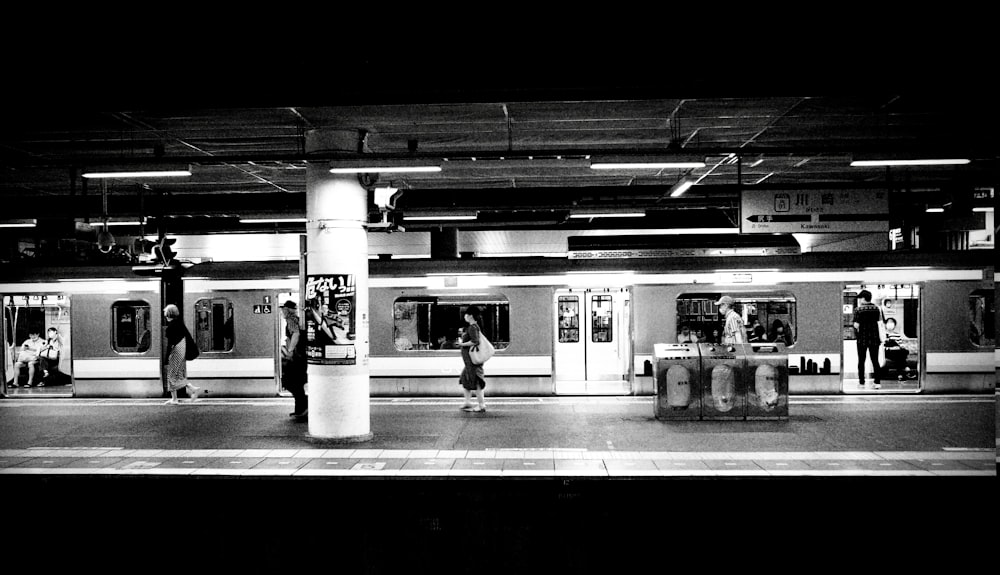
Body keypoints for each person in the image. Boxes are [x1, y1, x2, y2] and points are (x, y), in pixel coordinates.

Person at [163, 304, 202, 404]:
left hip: (175, 352)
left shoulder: (170, 327)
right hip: (181, 351)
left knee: (171, 375)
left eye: (165, 312)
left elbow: (170, 345)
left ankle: (174, 399)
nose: (164, 314)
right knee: (178, 375)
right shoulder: (180, 324)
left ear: (168, 314)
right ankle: (193, 389)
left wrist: (166, 358)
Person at [280, 300, 308, 421]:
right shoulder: (295, 318)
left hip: (297, 355)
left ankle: (304, 407)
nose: (282, 311)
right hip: (300, 355)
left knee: (291, 382)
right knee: (297, 383)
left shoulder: (291, 319)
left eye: (283, 309)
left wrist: (290, 351)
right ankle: (301, 409)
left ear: (287, 309)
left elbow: (296, 334)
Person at [457, 306, 487, 413]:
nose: (464, 316)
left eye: (466, 314)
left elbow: (475, 341)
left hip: (473, 362)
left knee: (477, 382)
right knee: (465, 378)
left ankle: (481, 405)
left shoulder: (472, 327)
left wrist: (462, 344)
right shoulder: (474, 326)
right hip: (469, 362)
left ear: (470, 316)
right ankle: (467, 401)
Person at [852, 289, 883, 389]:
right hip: (874, 338)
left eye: (860, 298)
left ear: (864, 298)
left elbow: (856, 325)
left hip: (862, 339)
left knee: (861, 360)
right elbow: (879, 321)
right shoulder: (876, 309)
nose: (860, 300)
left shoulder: (858, 310)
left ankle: (861, 382)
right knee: (875, 360)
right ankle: (877, 382)